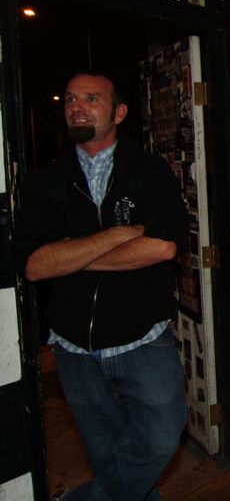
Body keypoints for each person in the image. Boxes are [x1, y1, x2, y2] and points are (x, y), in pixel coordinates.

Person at [14, 72, 189, 501]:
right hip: (74, 350)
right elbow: (35, 266)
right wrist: (117, 235)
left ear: (119, 112)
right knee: (108, 454)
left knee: (160, 440)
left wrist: (70, 255)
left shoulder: (149, 170)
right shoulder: (45, 181)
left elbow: (164, 247)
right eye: (71, 99)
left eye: (92, 99)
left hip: (143, 340)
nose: (77, 106)